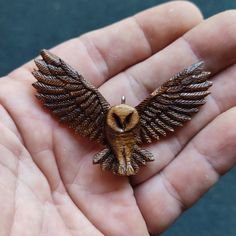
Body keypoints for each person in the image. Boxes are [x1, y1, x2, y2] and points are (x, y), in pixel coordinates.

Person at [0, 1, 235, 235]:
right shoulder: (98, 114)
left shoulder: (145, 114)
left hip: (133, 153)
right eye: (117, 121)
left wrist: (189, 81)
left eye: (126, 121)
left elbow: (178, 101)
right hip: (110, 153)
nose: (122, 127)